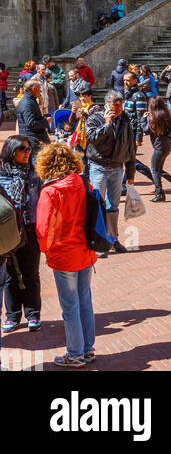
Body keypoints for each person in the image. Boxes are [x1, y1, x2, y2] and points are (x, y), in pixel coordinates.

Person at [34, 141, 97, 368]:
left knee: (70, 306)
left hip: (64, 253)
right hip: (84, 249)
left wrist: (46, 249)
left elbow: (43, 228)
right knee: (84, 301)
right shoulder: (81, 182)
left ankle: (75, 353)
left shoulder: (50, 191)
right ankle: (87, 349)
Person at [84, 92, 136, 252]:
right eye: (116, 106)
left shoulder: (125, 119)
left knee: (113, 206)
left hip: (117, 168)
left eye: (121, 106)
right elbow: (91, 138)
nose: (119, 109)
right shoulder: (95, 118)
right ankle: (98, 242)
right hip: (98, 167)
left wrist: (131, 172)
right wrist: (107, 125)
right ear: (107, 104)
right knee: (98, 206)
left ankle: (113, 239)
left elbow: (130, 146)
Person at [0, 135, 42, 333]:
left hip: (30, 228)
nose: (27, 153)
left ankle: (33, 314)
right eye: (22, 149)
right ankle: (13, 315)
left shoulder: (34, 175)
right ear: (11, 151)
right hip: (8, 231)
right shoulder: (1, 175)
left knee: (31, 272)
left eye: (29, 149)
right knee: (9, 274)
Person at [144, 97, 171, 203]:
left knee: (154, 169)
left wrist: (143, 119)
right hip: (166, 145)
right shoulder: (167, 115)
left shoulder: (153, 117)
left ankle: (160, 193)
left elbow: (145, 130)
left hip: (159, 147)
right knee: (158, 170)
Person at [16, 79, 52, 145]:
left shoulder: (30, 100)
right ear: (34, 89)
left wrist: (43, 118)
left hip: (35, 138)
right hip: (33, 140)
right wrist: (46, 121)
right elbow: (31, 123)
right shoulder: (27, 103)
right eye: (39, 88)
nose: (41, 91)